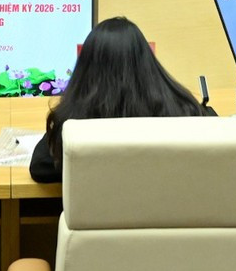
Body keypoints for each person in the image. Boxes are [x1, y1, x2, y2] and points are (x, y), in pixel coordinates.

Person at [29, 17, 211, 185]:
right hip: (172, 218)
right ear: (148, 62)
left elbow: (40, 167)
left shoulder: (74, 125)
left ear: (86, 70)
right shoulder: (183, 112)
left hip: (100, 219)